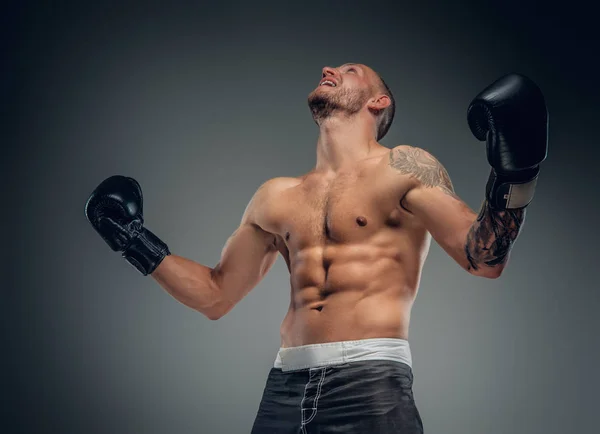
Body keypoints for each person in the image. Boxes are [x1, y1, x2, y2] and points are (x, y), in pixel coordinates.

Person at [85, 63, 548, 433]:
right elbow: (214, 295)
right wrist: (132, 239)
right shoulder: (275, 196)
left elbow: (483, 258)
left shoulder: (405, 166)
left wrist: (516, 176)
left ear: (377, 101)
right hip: (285, 386)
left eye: (349, 71)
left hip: (371, 382)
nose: (329, 68)